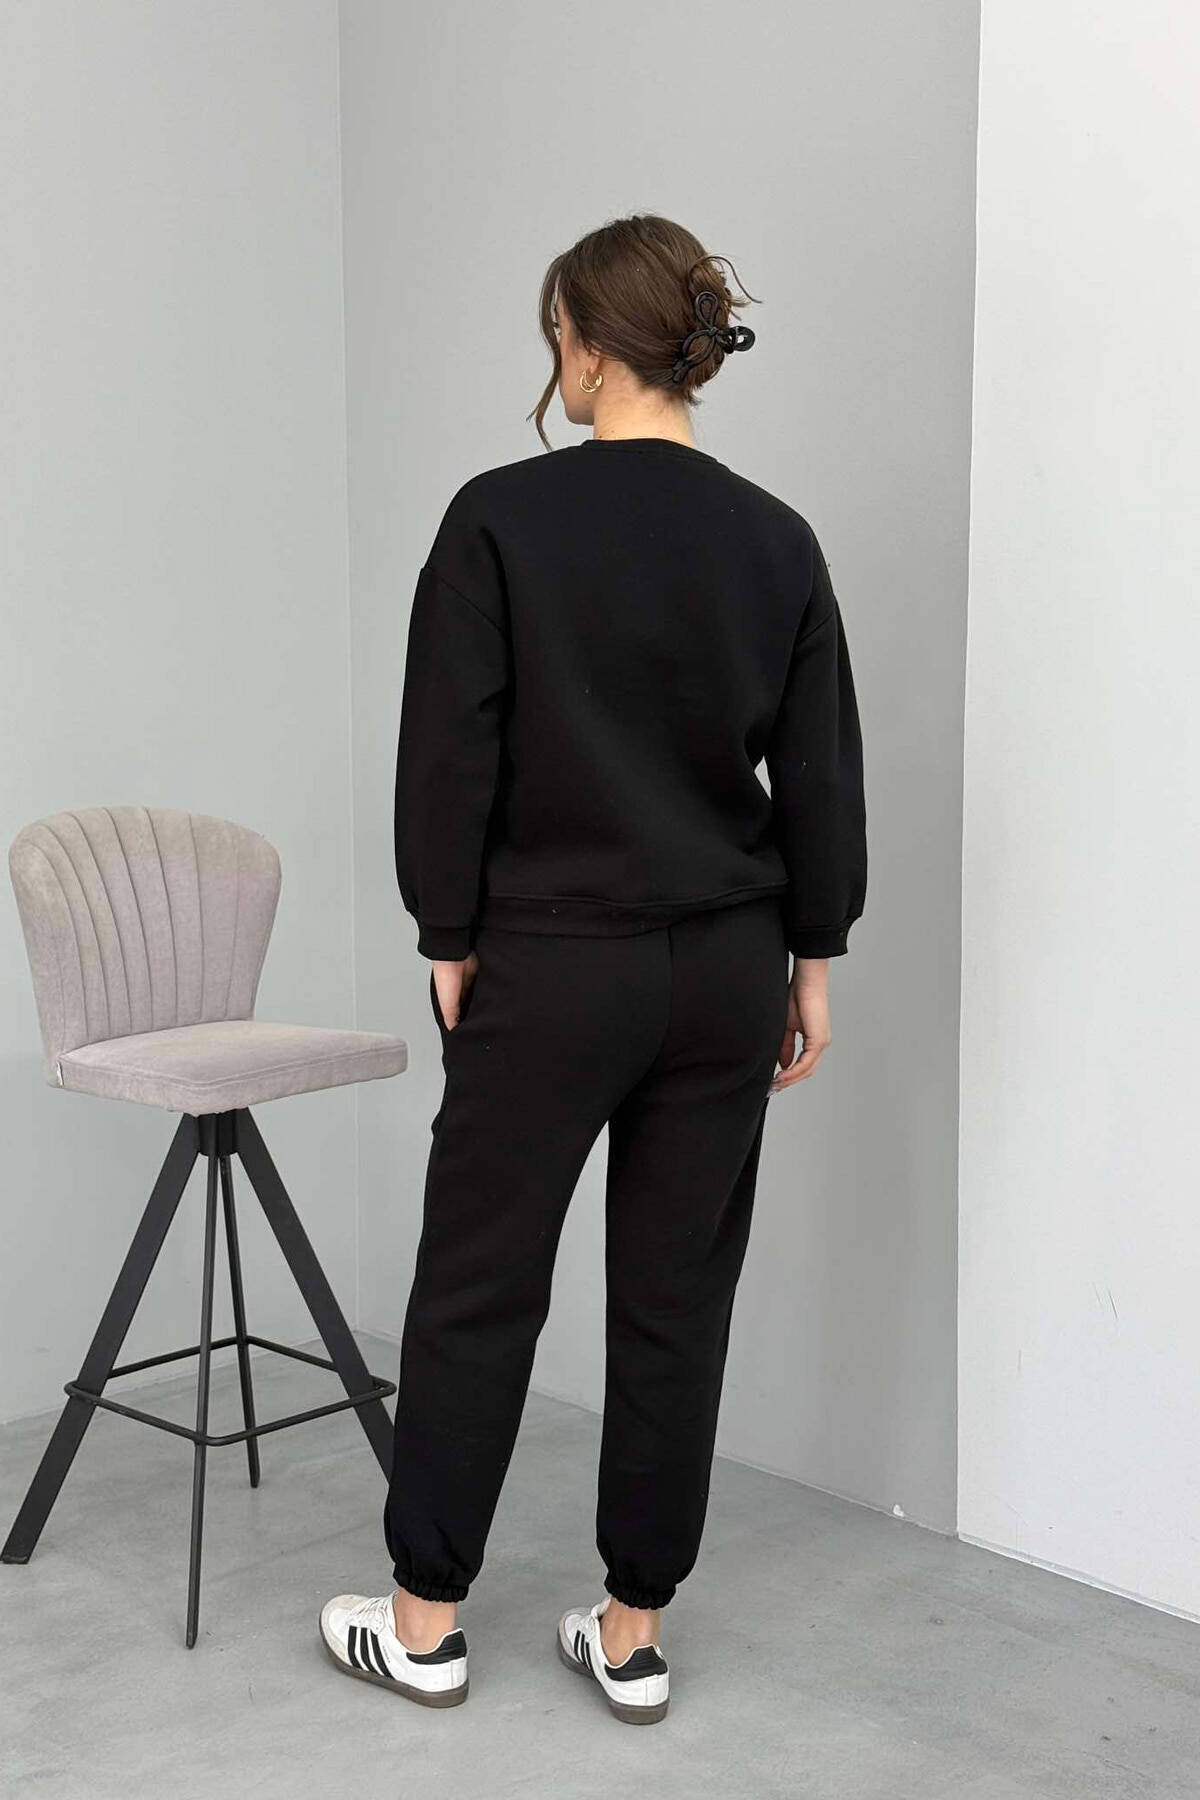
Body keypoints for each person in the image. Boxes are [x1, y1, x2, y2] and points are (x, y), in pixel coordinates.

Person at [319, 214, 867, 1724]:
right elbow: (819, 773)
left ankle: (425, 1623)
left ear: (582, 342)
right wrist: (813, 962)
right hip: (728, 963)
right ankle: (631, 1638)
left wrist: (447, 933)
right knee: (678, 1298)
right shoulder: (778, 539)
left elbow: (449, 750)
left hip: (553, 962)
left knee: (479, 1281)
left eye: (552, 333)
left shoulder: (501, 518)